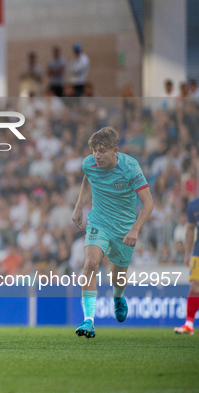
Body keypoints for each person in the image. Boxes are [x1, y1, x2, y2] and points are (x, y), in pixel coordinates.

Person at [71, 127, 154, 338]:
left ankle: (118, 296)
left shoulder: (130, 168)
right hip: (98, 222)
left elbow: (148, 203)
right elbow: (87, 178)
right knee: (90, 263)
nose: (96, 156)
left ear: (115, 150)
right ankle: (88, 320)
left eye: (101, 151)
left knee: (117, 278)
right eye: (94, 151)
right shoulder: (89, 164)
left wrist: (135, 229)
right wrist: (79, 205)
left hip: (124, 229)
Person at [174, 196, 199, 335]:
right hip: (198, 251)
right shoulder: (193, 206)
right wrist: (187, 254)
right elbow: (190, 229)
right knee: (195, 284)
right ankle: (189, 324)